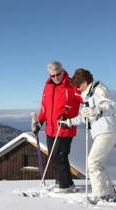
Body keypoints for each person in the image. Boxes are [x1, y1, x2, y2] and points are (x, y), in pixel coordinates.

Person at [58, 68, 116, 203]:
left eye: (79, 86)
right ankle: (109, 192)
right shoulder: (87, 95)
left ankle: (100, 195)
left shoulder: (99, 89)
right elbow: (84, 115)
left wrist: (95, 110)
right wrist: (68, 122)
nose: (78, 89)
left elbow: (110, 106)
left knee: (93, 162)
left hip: (107, 129)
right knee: (98, 163)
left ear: (85, 82)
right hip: (100, 131)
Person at [31, 61, 82, 192]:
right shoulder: (47, 87)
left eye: (57, 74)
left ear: (63, 71)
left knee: (60, 156)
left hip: (65, 127)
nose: (55, 78)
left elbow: (85, 100)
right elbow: (44, 108)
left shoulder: (72, 85)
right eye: (52, 75)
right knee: (53, 156)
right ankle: (62, 181)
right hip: (51, 128)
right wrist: (39, 123)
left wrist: (71, 115)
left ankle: (66, 186)